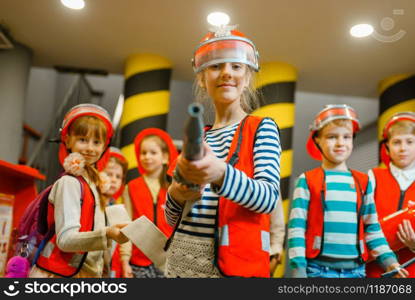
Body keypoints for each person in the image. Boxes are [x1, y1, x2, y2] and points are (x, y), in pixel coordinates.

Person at [164, 25, 281, 278]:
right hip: (180, 263)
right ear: (201, 78)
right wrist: (176, 191)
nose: (226, 72)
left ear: (247, 78)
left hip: (232, 269)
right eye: (216, 66)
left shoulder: (262, 128)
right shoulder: (200, 138)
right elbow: (171, 219)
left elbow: (269, 199)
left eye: (236, 66)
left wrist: (220, 173)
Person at [287, 104, 407, 278]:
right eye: (332, 137)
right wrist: (298, 269)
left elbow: (372, 228)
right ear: (317, 140)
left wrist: (390, 262)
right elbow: (296, 228)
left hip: (356, 271)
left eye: (347, 137)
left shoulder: (363, 182)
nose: (340, 143)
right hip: (318, 270)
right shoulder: (307, 180)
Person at [29, 104, 129, 278]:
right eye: (83, 139)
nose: (90, 148)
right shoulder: (69, 183)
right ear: (67, 140)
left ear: (104, 146)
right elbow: (66, 240)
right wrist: (107, 233)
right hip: (57, 276)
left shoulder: (91, 183)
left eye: (97, 142)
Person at [123, 128, 178, 278]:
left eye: (153, 153)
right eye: (143, 152)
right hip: (138, 260)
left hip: (168, 259)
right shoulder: (131, 187)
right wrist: (124, 259)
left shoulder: (174, 187)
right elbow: (127, 225)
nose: (147, 157)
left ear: (165, 157)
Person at [366, 112, 415, 277]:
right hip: (374, 271)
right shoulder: (373, 177)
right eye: (396, 142)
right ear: (386, 146)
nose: (403, 148)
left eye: (410, 142)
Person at [101, 147, 133, 278]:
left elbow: (126, 238)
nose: (114, 180)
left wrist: (125, 263)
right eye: (109, 174)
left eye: (118, 177)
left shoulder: (118, 208)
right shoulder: (91, 203)